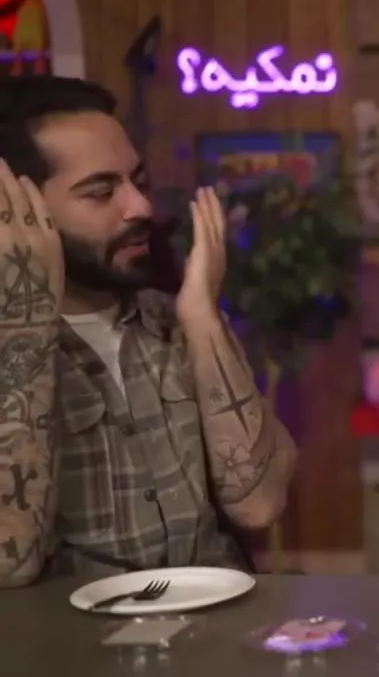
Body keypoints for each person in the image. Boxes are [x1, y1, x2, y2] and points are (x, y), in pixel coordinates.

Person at [0, 76, 297, 587]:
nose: (139, 206)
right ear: (19, 213)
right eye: (101, 192)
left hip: (217, 630)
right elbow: (11, 563)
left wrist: (202, 315)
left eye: (138, 182)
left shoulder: (176, 321)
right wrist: (25, 326)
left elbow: (260, 504)